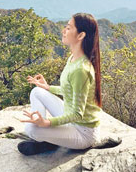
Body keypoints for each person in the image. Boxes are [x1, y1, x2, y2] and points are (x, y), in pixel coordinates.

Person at [18, 12, 102, 155]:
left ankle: (48, 139)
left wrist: (47, 124)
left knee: (31, 129)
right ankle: (51, 137)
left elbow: (77, 114)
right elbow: (69, 90)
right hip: (71, 120)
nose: (63, 31)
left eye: (69, 28)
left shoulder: (81, 69)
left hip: (83, 133)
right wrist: (47, 87)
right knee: (37, 92)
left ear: (81, 35)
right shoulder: (73, 58)